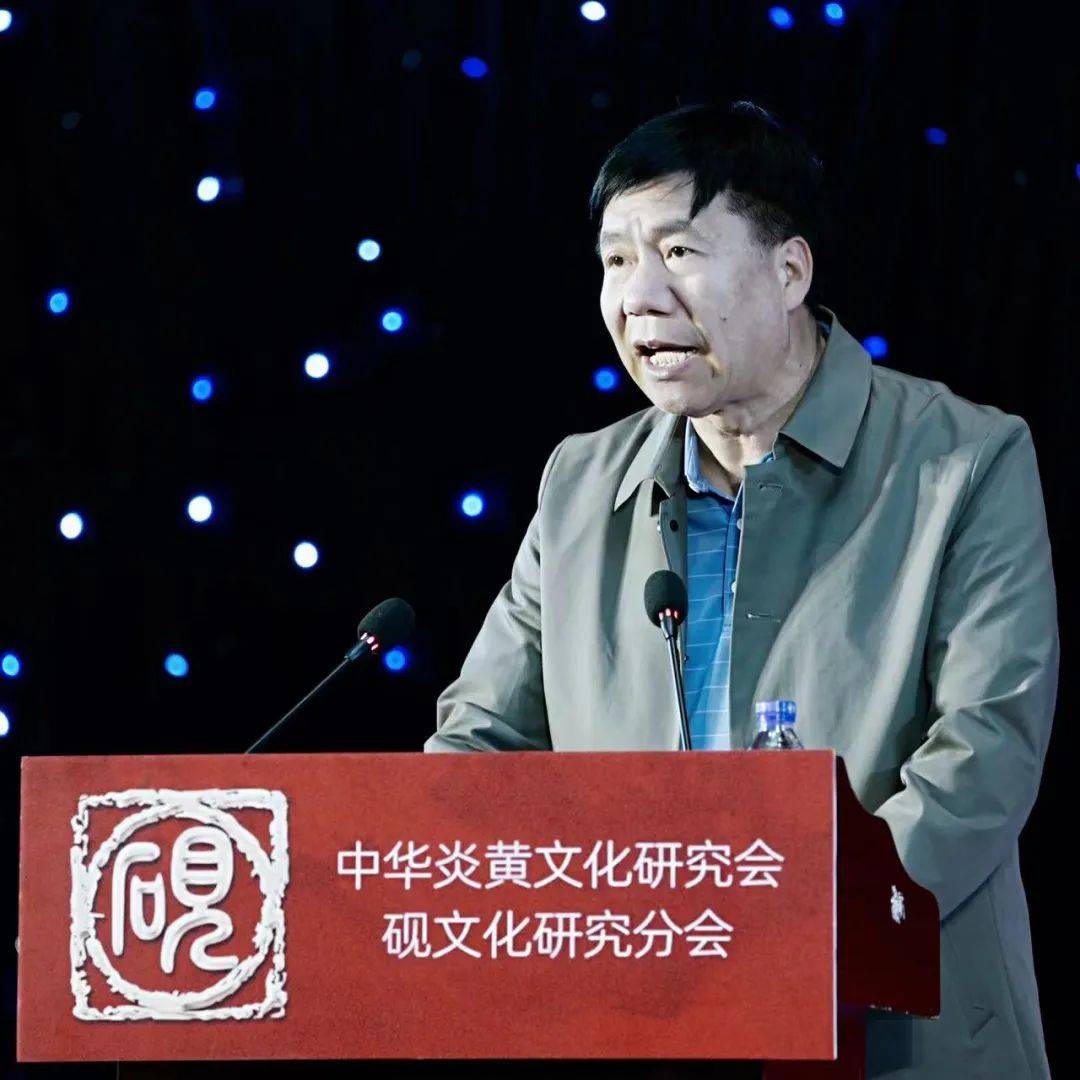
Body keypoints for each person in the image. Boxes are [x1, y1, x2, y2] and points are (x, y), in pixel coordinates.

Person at [425, 100, 1058, 1078]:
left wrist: (783, 929)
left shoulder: (963, 460)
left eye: (678, 252)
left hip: (891, 1031)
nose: (638, 297)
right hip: (633, 1025)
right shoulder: (580, 482)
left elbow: (986, 752)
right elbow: (481, 743)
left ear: (789, 271)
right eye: (616, 260)